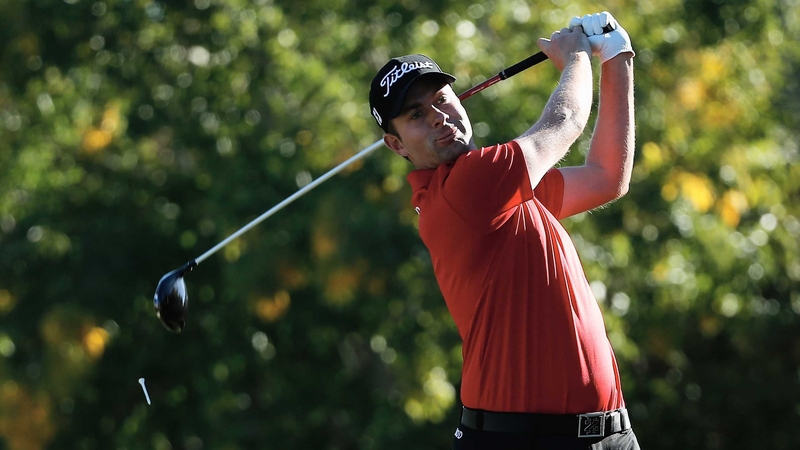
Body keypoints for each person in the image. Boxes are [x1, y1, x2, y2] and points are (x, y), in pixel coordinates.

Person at [368, 10, 638, 450]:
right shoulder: (471, 186)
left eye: (441, 99)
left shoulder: (499, 189)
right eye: (416, 114)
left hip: (608, 434)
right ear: (396, 144)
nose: (437, 116)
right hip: (522, 438)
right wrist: (575, 56)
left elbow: (607, 177)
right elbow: (566, 121)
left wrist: (618, 57)